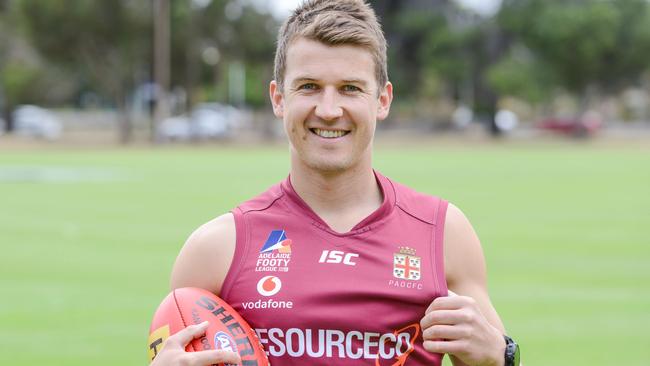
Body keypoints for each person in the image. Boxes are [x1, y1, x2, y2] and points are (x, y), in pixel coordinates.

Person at [151, 0, 519, 365]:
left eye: (350, 88)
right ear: (279, 98)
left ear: (383, 99)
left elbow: (490, 357)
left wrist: (500, 356)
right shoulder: (216, 249)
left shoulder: (443, 233)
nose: (328, 110)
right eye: (309, 86)